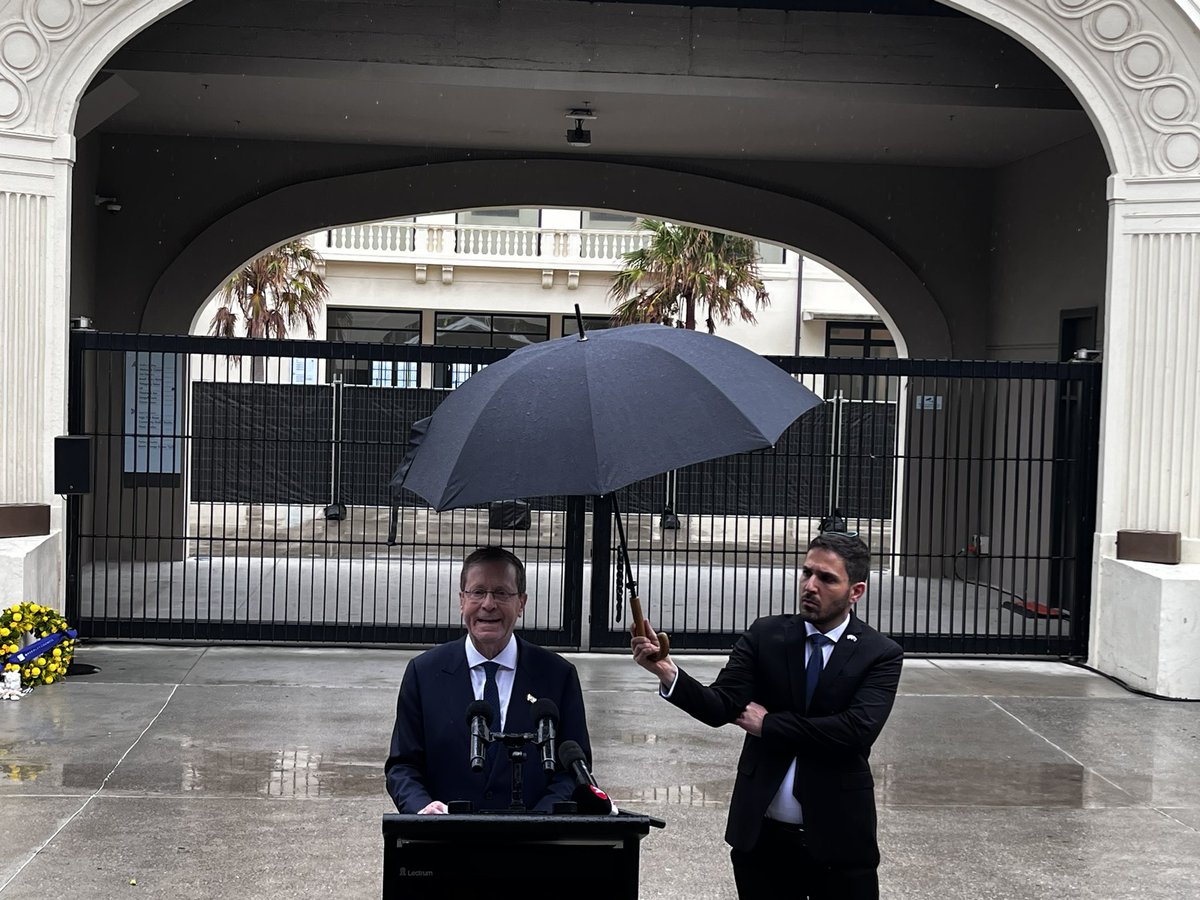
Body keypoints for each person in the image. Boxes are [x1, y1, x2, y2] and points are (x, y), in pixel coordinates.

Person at [630, 532, 903, 900]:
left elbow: (854, 731)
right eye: (806, 573)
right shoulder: (767, 635)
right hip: (763, 840)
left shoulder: (880, 653)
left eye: (826, 578)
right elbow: (721, 705)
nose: (809, 585)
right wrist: (667, 671)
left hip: (840, 842)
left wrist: (769, 725)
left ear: (856, 591)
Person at [386, 546, 593, 814]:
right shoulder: (424, 673)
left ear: (521, 603)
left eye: (501, 593)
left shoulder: (557, 675)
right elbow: (403, 765)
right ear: (462, 600)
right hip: (446, 840)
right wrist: (422, 809)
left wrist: (541, 821)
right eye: (478, 592)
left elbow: (575, 766)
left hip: (535, 845)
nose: (488, 604)